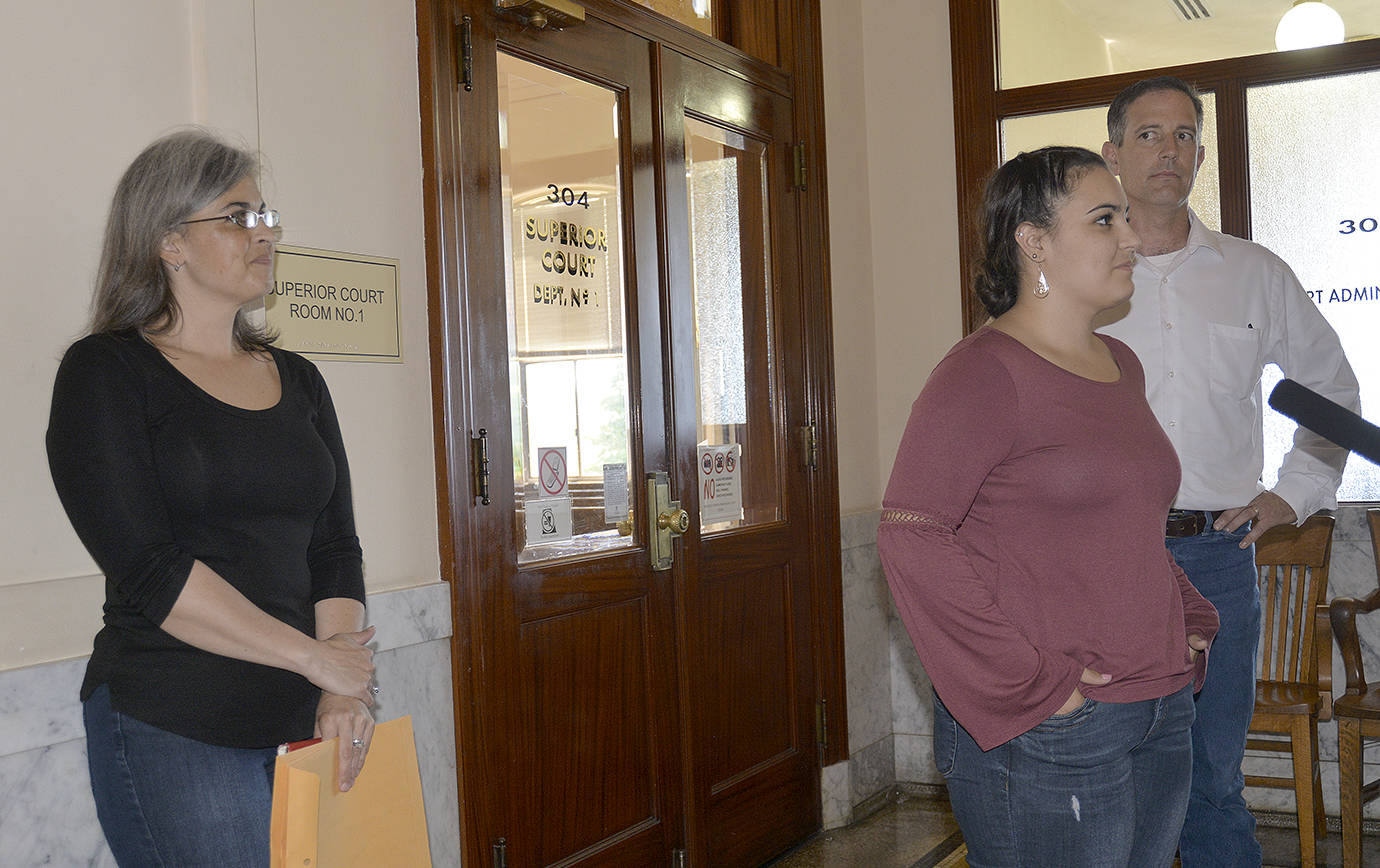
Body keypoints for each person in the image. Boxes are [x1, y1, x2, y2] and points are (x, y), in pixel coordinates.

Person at [878, 145, 1219, 866]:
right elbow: (912, 535)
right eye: (1104, 219)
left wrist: (1184, 617)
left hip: (1159, 703)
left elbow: (1127, 524)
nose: (1131, 236)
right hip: (1055, 724)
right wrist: (1034, 685)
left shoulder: (1120, 364)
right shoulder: (981, 372)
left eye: (1125, 217)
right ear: (1033, 242)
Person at [46, 129, 379, 867]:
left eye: (267, 214)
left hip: (308, 718)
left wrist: (340, 688)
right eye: (239, 216)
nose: (266, 233)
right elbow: (151, 569)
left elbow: (334, 547)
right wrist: (320, 662)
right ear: (169, 241)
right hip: (176, 723)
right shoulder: (105, 373)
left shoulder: (297, 378)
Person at [1098, 76, 1359, 867]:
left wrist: (1292, 493)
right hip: (1106, 560)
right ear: (1112, 154)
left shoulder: (1255, 273)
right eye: (1147, 135)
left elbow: (1333, 396)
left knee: (1212, 779)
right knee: (1111, 774)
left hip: (1215, 556)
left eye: (1183, 135)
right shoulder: (1083, 276)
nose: (1167, 151)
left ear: (1201, 155)